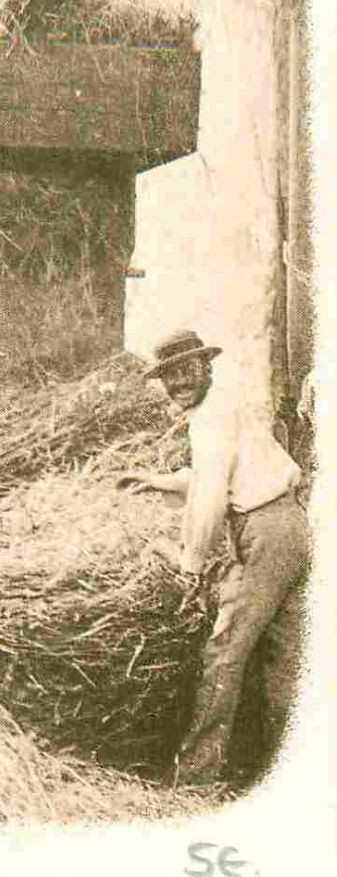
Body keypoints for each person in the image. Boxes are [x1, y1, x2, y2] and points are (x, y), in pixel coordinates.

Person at [118, 330, 308, 785]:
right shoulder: (227, 407)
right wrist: (162, 480)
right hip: (289, 525)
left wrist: (190, 562)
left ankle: (195, 779)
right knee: (283, 657)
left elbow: (210, 498)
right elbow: (227, 472)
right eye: (168, 375)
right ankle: (283, 770)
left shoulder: (209, 419)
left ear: (206, 367)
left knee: (224, 651)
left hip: (264, 533)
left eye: (187, 370)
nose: (179, 382)